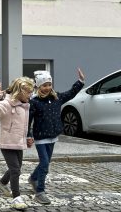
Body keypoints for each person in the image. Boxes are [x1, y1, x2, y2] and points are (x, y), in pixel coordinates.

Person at [27, 69, 85, 205]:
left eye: (49, 84)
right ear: (38, 86)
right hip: (40, 137)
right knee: (45, 164)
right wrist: (27, 135)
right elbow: (28, 120)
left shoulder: (56, 97)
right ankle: (40, 192)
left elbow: (70, 93)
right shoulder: (34, 101)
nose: (47, 87)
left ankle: (33, 178)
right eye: (44, 85)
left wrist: (80, 81)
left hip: (53, 136)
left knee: (44, 163)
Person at [0, 77, 35, 211]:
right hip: (7, 142)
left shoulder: (25, 105)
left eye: (31, 92)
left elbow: (24, 126)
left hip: (18, 142)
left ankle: (2, 182)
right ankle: (16, 197)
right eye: (27, 92)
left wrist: (27, 137)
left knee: (18, 166)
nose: (30, 95)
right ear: (19, 91)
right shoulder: (7, 104)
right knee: (16, 170)